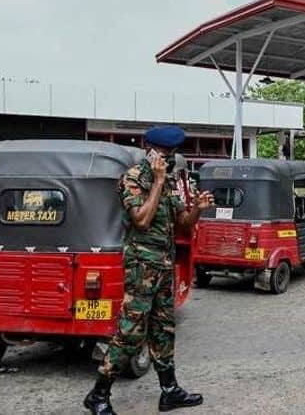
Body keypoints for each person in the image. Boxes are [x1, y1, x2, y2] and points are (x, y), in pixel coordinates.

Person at [84, 126, 214, 415]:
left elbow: (183, 222)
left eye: (172, 155)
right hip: (141, 267)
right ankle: (98, 394)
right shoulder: (132, 179)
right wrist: (156, 182)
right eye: (165, 154)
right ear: (150, 149)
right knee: (129, 332)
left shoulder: (166, 181)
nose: (168, 160)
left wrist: (198, 209)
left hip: (164, 266)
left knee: (164, 330)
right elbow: (141, 220)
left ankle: (169, 392)